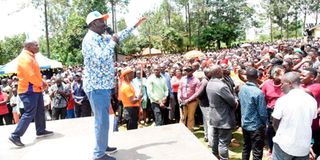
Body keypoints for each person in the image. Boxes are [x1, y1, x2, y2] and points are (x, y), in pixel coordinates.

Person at [82, 11, 146, 160]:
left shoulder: (100, 37)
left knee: (104, 119)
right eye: (100, 21)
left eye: (104, 20)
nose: (104, 23)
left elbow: (120, 35)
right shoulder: (90, 40)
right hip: (96, 87)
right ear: (92, 24)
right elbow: (102, 58)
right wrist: (113, 42)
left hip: (102, 86)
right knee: (101, 120)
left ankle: (103, 146)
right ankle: (99, 154)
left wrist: (135, 25)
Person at [9, 41, 53, 147]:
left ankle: (41, 130)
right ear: (28, 47)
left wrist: (42, 83)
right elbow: (30, 76)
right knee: (29, 113)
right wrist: (41, 84)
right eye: (36, 45)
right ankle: (15, 135)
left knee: (39, 111)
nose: (38, 46)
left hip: (35, 89)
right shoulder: (25, 57)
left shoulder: (31, 56)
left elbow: (36, 74)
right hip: (28, 90)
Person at [272, 72, 317, 159]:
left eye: (282, 83)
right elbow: (311, 119)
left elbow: (275, 123)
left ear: (289, 84)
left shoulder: (283, 100)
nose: (280, 86)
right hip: (303, 147)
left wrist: (281, 136)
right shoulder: (312, 100)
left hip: (284, 146)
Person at [206, 65, 237, 159]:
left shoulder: (209, 83)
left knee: (215, 139)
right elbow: (232, 102)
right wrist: (236, 100)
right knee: (223, 141)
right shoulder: (221, 86)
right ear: (218, 72)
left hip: (214, 116)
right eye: (221, 71)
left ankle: (215, 155)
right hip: (223, 118)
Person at [239, 67, 267, 160]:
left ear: (246, 77)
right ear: (257, 77)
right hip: (256, 126)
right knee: (257, 151)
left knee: (246, 147)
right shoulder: (258, 93)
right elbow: (262, 112)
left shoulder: (242, 88)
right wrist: (265, 123)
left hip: (245, 123)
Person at [177, 66, 200, 131]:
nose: (186, 72)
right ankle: (181, 130)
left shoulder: (196, 80)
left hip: (192, 101)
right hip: (183, 101)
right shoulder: (183, 79)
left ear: (192, 71)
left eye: (188, 71)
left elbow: (197, 93)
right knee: (182, 117)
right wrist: (179, 97)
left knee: (190, 116)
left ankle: (190, 130)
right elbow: (179, 88)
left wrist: (189, 100)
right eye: (185, 71)